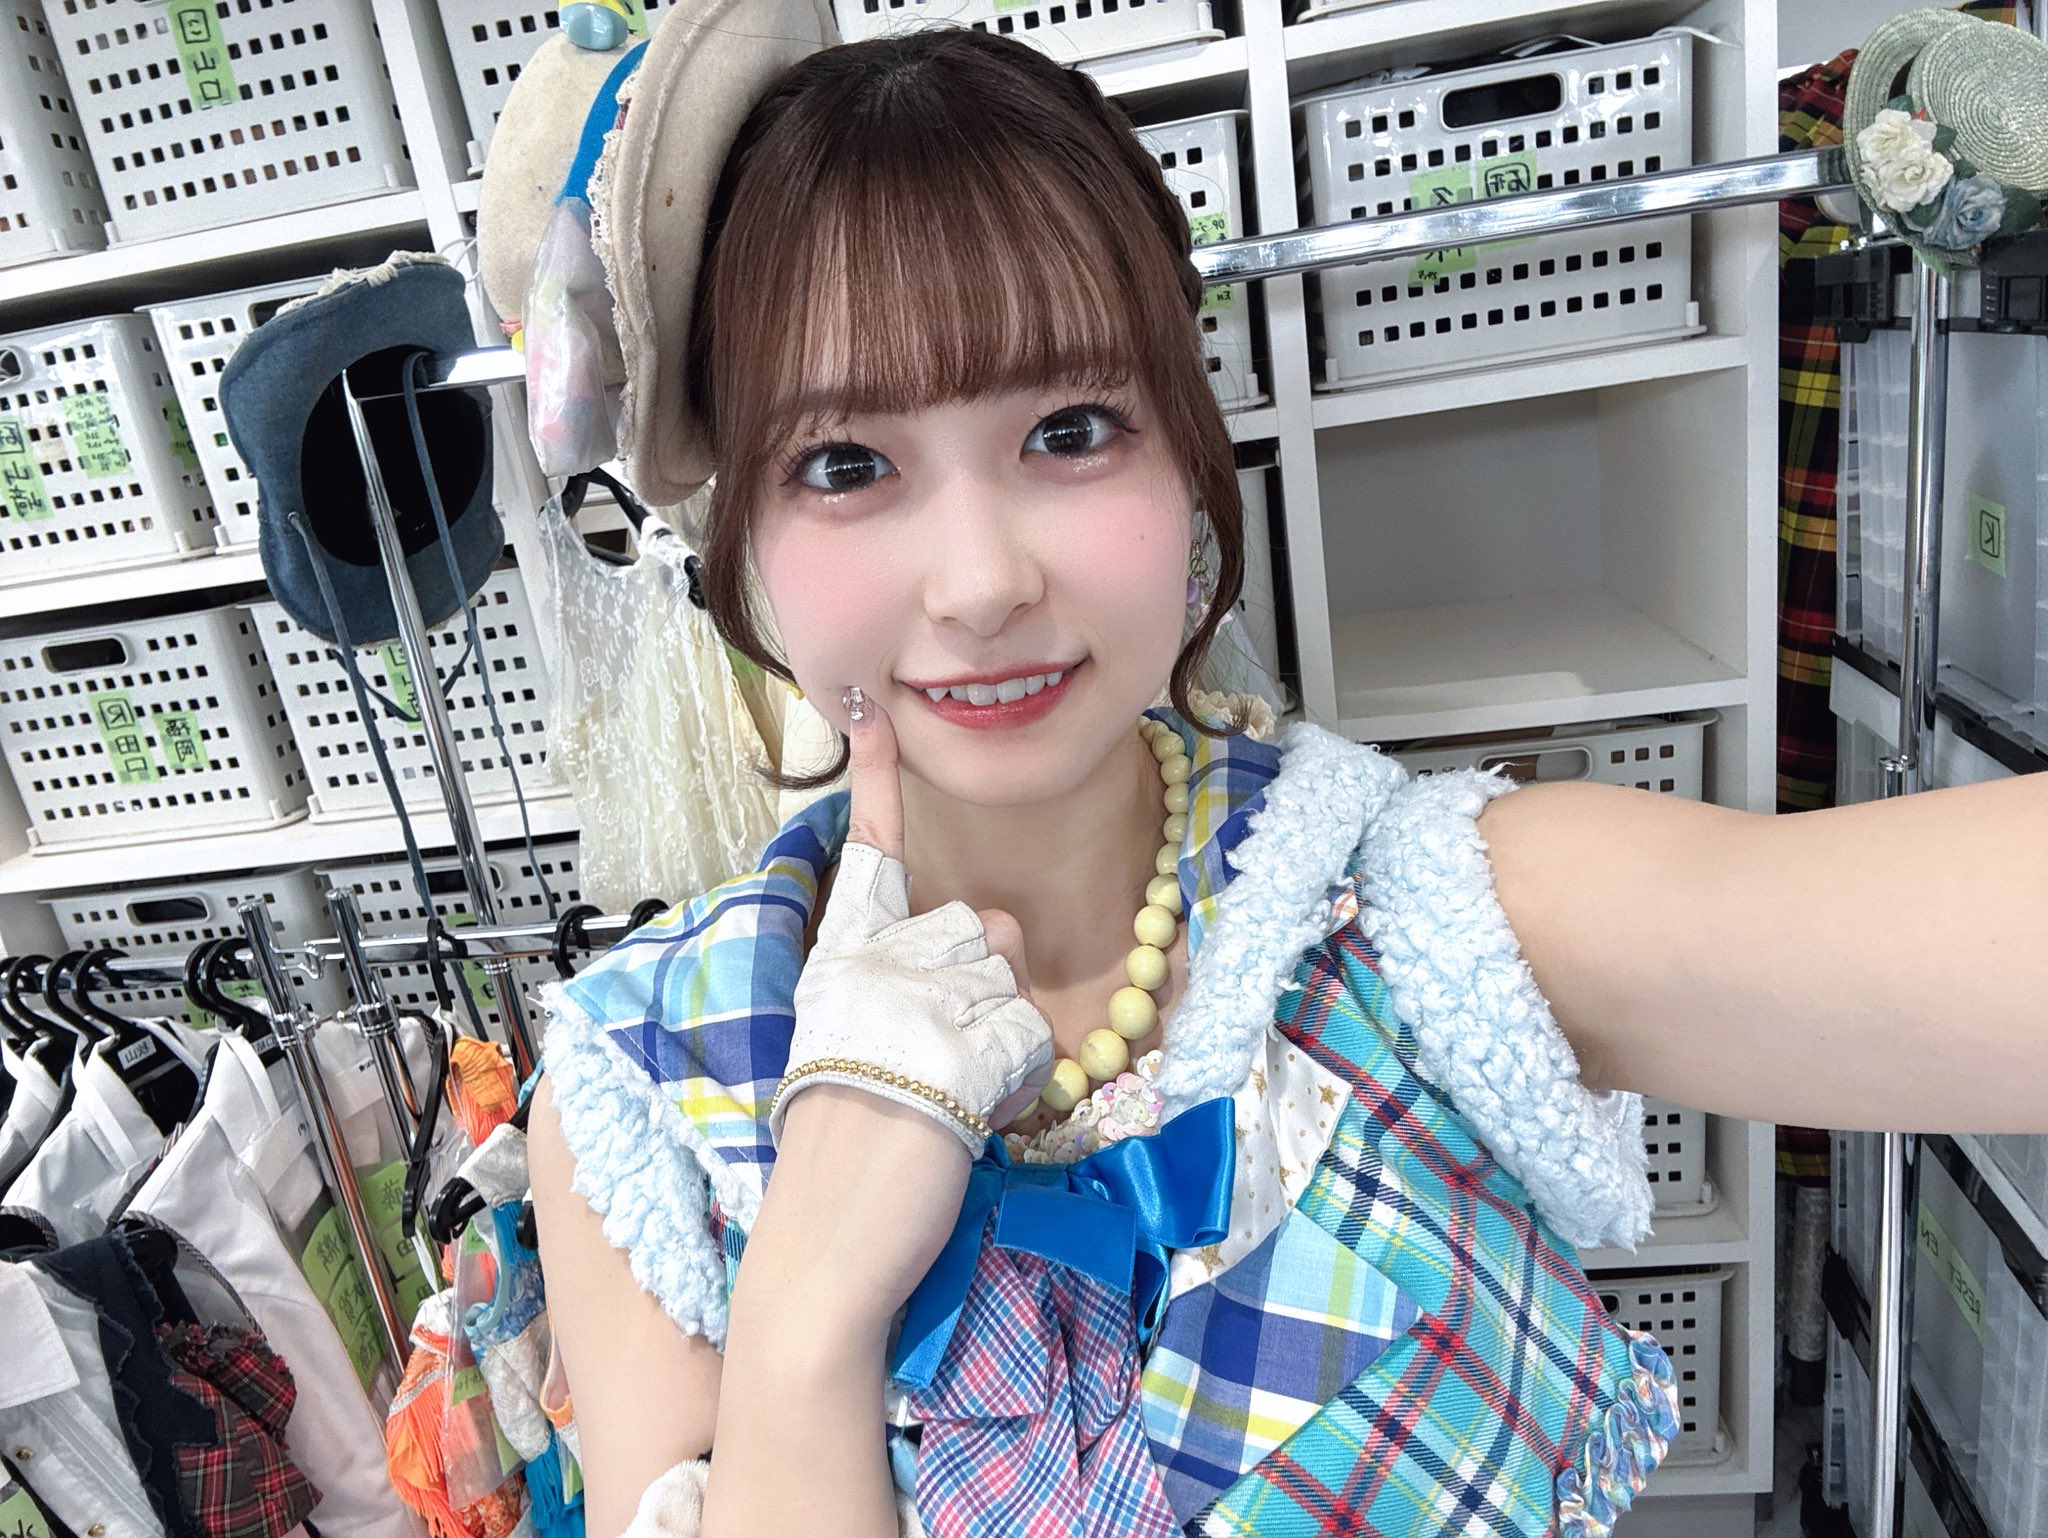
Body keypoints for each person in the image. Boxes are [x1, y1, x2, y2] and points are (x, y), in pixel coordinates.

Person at [523, 24, 2048, 1538]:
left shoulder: (1425, 916)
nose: (981, 582)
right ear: (741, 533)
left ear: (1185, 462)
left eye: (1070, 430)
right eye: (848, 464)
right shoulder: (642, 1090)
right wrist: (802, 1316)